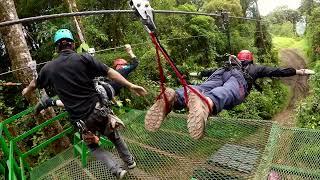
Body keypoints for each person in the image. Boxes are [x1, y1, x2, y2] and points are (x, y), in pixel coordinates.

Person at [22, 29, 147, 179]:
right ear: (73, 44)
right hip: (99, 111)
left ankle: (117, 170)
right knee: (114, 136)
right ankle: (130, 162)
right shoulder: (84, 58)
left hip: (83, 122)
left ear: (57, 47)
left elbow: (33, 85)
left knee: (93, 147)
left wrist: (26, 91)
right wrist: (130, 85)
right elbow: (110, 72)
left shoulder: (48, 68)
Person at [145, 50, 315, 140]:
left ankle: (175, 95)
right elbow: (277, 71)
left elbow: (206, 73)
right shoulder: (254, 68)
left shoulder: (227, 64)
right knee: (229, 91)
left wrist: (194, 74)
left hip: (220, 73)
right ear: (251, 59)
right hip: (239, 78)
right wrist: (300, 71)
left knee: (201, 88)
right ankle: (207, 103)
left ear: (239, 58)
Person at [34, 44, 139, 113]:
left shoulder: (121, 71)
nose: (119, 68)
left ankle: (50, 100)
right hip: (103, 91)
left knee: (77, 99)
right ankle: (50, 102)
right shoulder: (122, 72)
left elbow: (133, 64)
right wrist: (130, 51)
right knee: (80, 103)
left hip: (102, 89)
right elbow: (135, 63)